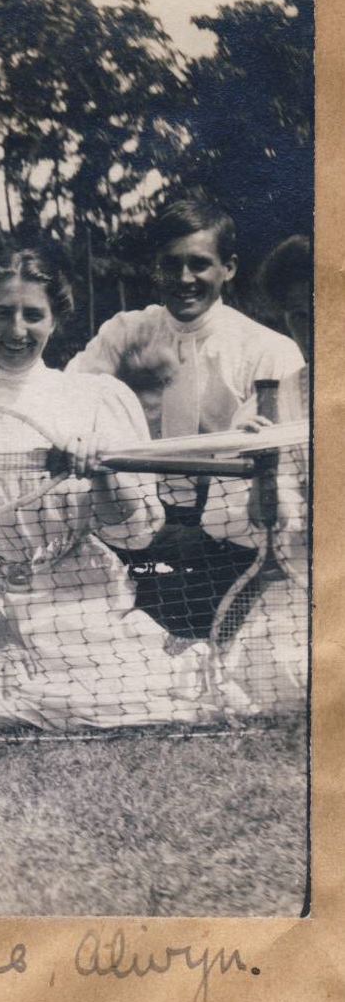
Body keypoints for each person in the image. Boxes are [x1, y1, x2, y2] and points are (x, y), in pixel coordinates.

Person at [0, 248, 216, 728]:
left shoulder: (94, 399)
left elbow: (135, 534)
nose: (16, 331)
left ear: (55, 319)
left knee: (129, 699)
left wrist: (102, 470)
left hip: (78, 594)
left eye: (32, 315)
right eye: (2, 313)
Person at [66, 200, 304, 634]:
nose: (183, 279)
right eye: (169, 265)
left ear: (228, 268)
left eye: (199, 264)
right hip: (131, 528)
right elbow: (66, 403)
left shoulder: (268, 350)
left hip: (226, 541)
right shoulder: (122, 332)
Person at [199, 235, 312, 716]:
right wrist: (256, 480)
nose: (315, 326)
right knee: (281, 678)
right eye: (298, 315)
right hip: (303, 588)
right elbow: (218, 522)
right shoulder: (271, 404)